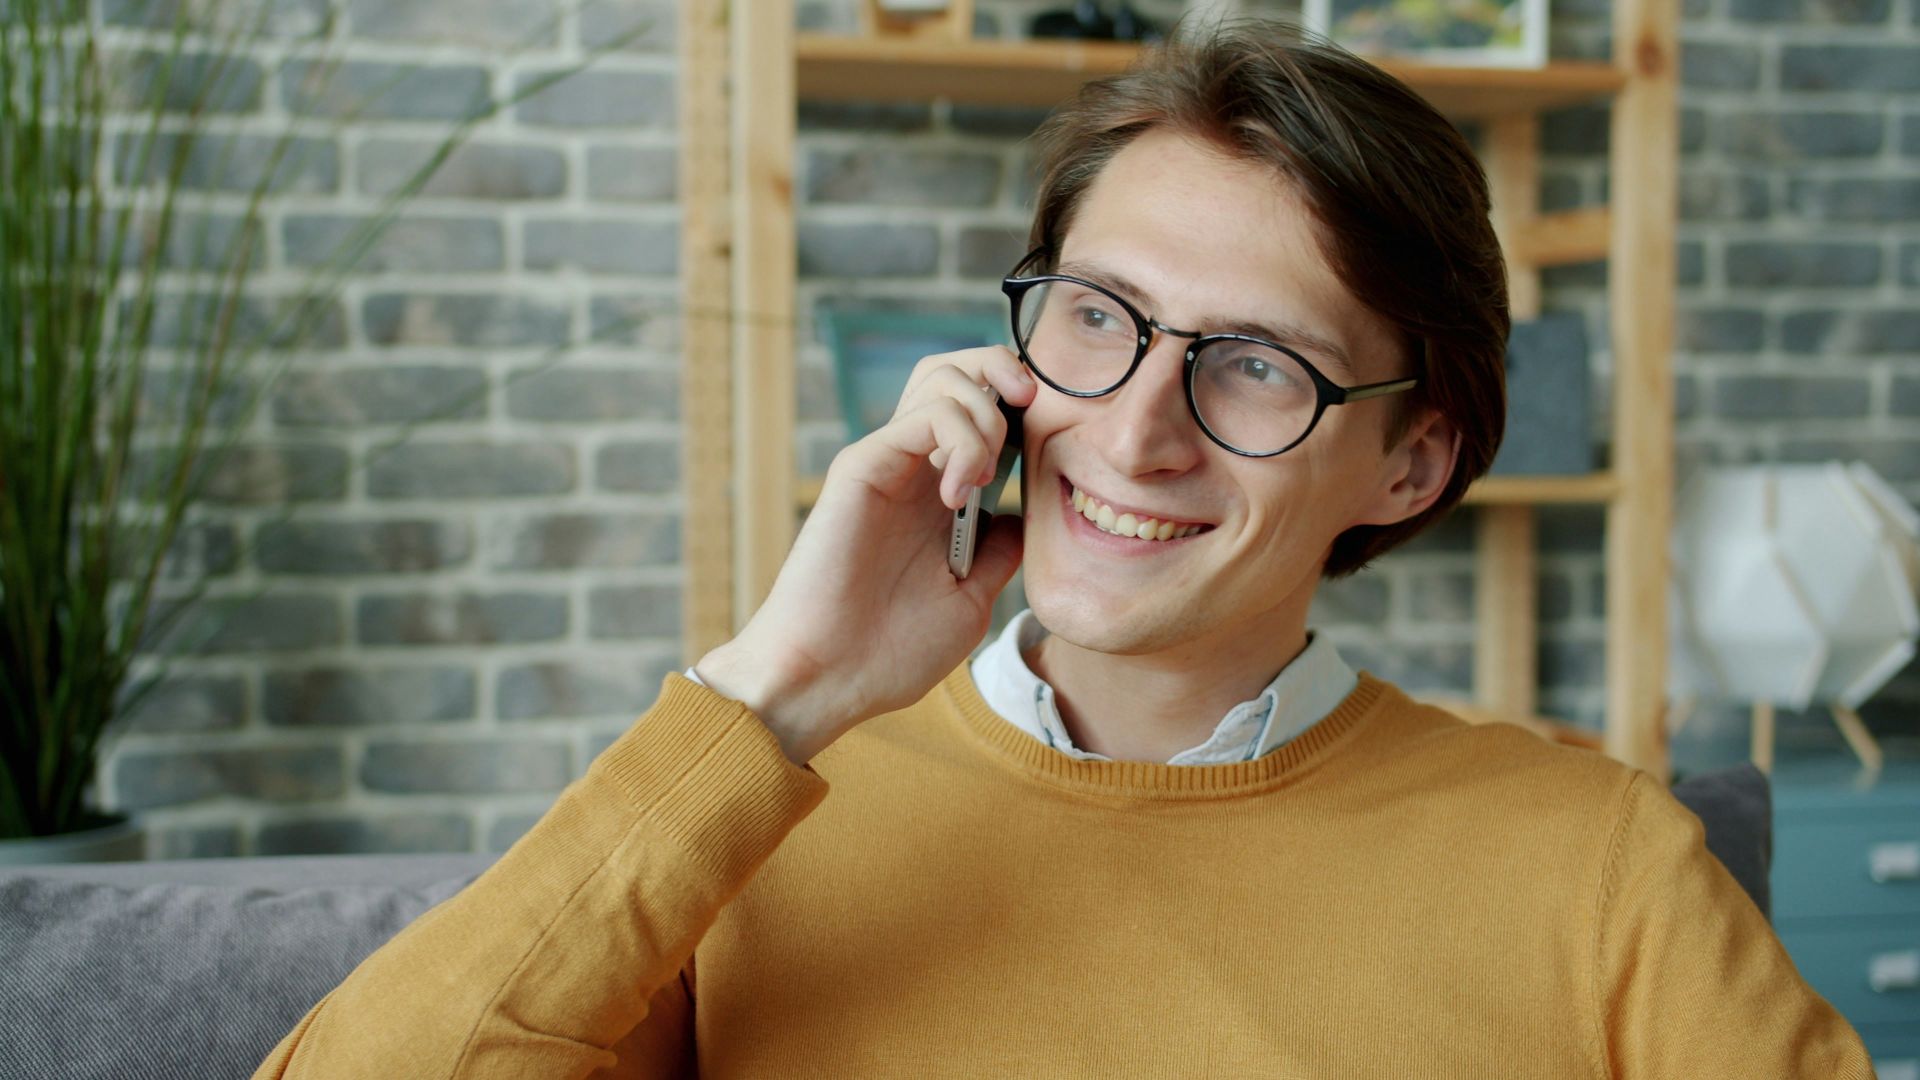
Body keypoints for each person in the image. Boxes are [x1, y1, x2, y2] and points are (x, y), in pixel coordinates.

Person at [255, 19, 1873, 1079]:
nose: (1136, 428)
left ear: (1412, 458)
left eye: (1256, 362)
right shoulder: (747, 818)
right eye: (1100, 319)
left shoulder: (1601, 869)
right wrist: (780, 688)